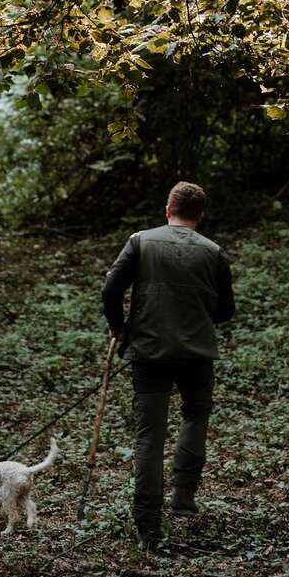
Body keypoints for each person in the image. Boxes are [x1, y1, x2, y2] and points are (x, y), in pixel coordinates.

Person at [102, 181, 234, 550]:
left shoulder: (141, 241)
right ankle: (184, 495)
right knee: (195, 415)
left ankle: (148, 526)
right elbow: (225, 311)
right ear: (200, 215)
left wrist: (119, 326)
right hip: (196, 354)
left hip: (149, 352)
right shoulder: (213, 251)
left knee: (150, 436)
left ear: (167, 209)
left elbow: (111, 290)